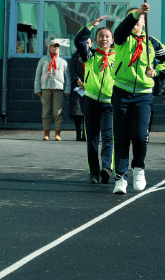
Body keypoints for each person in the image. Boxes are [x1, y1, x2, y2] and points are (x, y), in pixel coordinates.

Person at [111, 3, 165, 195]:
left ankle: (138, 168)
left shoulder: (152, 43)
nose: (137, 21)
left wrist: (156, 70)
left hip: (143, 95)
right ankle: (120, 177)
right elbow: (120, 30)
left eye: (140, 19)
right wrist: (136, 13)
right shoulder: (121, 39)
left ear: (144, 22)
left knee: (139, 135)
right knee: (121, 137)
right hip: (121, 91)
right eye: (133, 18)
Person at [75, 15, 115, 185]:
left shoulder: (118, 56)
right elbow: (78, 41)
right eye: (101, 36)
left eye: (107, 36)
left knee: (108, 136)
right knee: (91, 139)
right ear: (96, 40)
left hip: (110, 103)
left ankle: (107, 168)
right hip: (91, 101)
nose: (104, 39)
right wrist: (91, 25)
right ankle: (94, 172)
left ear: (112, 40)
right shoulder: (90, 55)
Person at [33, 38, 68, 141]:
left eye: (58, 46)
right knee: (46, 111)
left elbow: (67, 76)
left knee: (58, 112)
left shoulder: (63, 61)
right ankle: (46, 133)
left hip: (59, 89)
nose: (56, 48)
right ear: (50, 47)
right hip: (46, 89)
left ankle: (58, 133)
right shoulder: (43, 60)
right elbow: (38, 75)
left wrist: (67, 90)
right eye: (54, 46)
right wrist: (37, 89)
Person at [68, 39, 88, 141]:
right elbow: (72, 70)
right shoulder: (75, 56)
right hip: (78, 86)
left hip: (89, 86)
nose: (86, 45)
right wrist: (79, 82)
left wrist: (88, 83)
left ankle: (85, 134)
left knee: (87, 111)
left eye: (88, 43)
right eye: (85, 43)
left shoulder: (93, 56)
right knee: (77, 111)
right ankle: (78, 133)